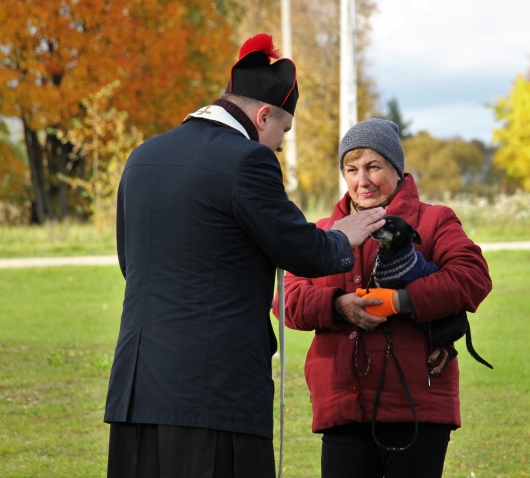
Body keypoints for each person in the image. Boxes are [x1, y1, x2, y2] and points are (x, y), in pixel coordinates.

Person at [103, 34, 386, 478]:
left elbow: (130, 263)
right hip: (214, 394)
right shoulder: (248, 160)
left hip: (137, 390)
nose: (278, 145)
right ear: (264, 114)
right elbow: (302, 250)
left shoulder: (142, 157)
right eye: (282, 133)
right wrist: (342, 235)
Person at [279, 118, 493, 478]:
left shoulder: (435, 221)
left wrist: (401, 302)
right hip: (341, 406)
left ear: (397, 169)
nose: (362, 181)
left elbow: (472, 277)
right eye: (352, 169)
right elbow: (286, 299)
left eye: (373, 166)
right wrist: (337, 306)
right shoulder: (321, 233)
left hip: (415, 404)